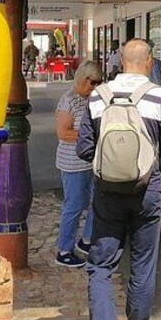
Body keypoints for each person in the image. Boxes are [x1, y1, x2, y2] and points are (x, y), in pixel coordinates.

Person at [76, 39, 161, 320]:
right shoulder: (158, 96)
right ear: (149, 62)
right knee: (142, 264)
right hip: (147, 191)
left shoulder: (98, 96)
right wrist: (146, 156)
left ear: (121, 61)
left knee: (101, 266)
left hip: (107, 193)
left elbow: (83, 149)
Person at [54, 61, 104, 267]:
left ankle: (87, 240)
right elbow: (63, 133)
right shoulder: (69, 100)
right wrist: (89, 135)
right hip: (72, 163)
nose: (95, 87)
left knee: (96, 202)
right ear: (83, 79)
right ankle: (64, 249)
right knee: (73, 206)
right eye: (93, 82)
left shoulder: (90, 99)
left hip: (89, 161)